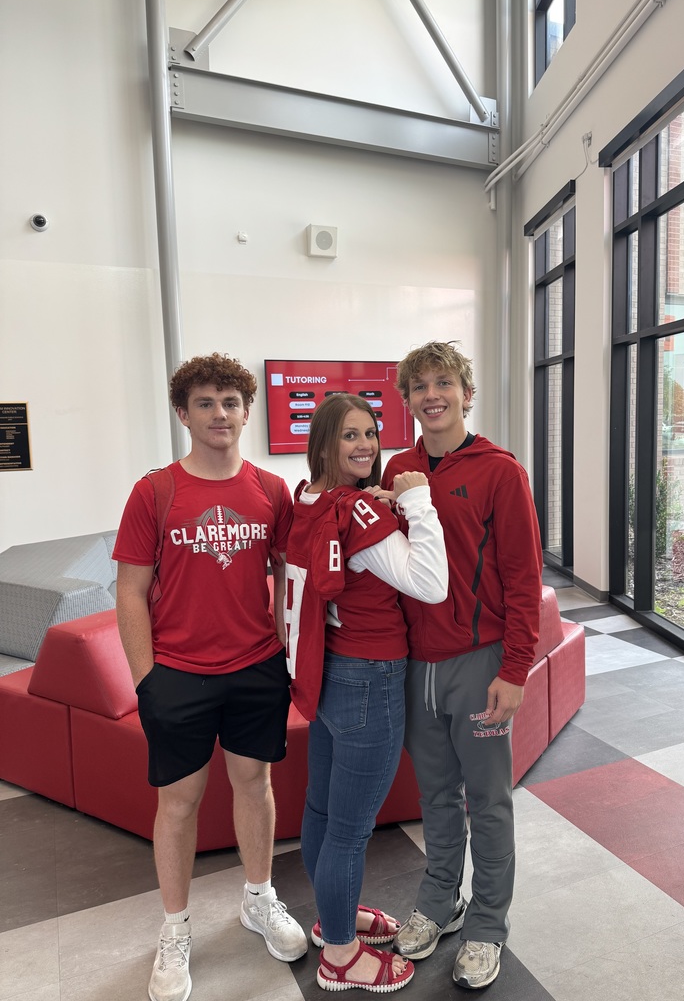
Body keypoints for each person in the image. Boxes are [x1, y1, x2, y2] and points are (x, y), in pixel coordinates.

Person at [113, 353, 307, 1001]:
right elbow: (131, 591)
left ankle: (259, 898)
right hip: (178, 675)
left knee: (255, 785)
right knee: (179, 803)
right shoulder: (155, 492)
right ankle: (175, 929)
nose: (219, 414)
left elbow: (292, 576)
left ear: (247, 411)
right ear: (183, 413)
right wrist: (147, 680)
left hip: (255, 667)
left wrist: (288, 651)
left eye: (230, 401)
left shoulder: (272, 491)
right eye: (205, 403)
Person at [381, 341, 542, 990]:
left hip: (478, 664)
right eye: (418, 386)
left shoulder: (501, 470)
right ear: (408, 400)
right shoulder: (399, 469)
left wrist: (515, 669)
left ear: (466, 392)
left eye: (442, 382)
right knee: (435, 796)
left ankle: (486, 926)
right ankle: (440, 900)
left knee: (488, 801)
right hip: (417, 665)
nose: (431, 395)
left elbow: (522, 578)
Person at [284, 393, 448, 993]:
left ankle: (333, 921)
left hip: (328, 675)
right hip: (370, 679)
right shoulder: (357, 512)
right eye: (350, 436)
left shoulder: (306, 500)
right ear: (323, 443)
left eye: (371, 434)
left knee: (322, 813)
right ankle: (342, 957)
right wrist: (417, 499)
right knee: (349, 831)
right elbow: (429, 584)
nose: (366, 446)